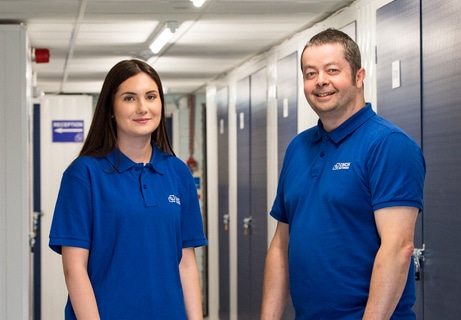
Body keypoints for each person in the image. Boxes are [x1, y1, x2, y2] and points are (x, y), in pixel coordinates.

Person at [260, 28, 425, 319]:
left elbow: (398, 248)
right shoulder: (297, 148)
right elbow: (281, 245)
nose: (320, 81)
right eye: (310, 73)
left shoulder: (388, 145)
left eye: (332, 70)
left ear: (359, 77)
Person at [49, 59, 208, 320]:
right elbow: (74, 269)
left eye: (151, 96)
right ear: (111, 108)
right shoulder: (84, 174)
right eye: (129, 98)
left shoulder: (178, 172)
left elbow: (186, 263)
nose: (143, 108)